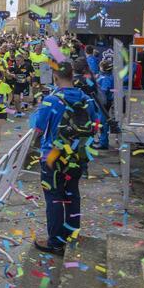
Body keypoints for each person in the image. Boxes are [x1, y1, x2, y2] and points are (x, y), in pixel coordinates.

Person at [32, 61, 100, 255]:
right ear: (73, 75)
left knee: (54, 197)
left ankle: (55, 241)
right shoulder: (86, 99)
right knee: (72, 194)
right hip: (78, 155)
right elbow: (95, 126)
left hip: (53, 155)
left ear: (55, 76)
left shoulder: (51, 100)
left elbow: (38, 128)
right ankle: (71, 234)